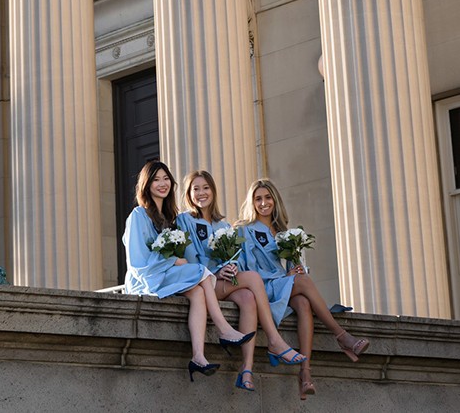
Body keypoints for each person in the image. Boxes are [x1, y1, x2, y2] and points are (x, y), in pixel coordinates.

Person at [236, 178, 370, 401]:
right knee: (304, 282)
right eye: (258, 199)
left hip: (285, 288)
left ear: (275, 200)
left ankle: (305, 373)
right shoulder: (245, 231)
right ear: (252, 202)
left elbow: (293, 267)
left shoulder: (284, 232)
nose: (263, 203)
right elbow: (246, 270)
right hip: (264, 289)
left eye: (267, 197)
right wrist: (289, 277)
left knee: (304, 302)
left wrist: (296, 269)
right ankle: (342, 337)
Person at [123, 160, 254, 382]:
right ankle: (224, 329)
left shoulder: (167, 217)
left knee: (197, 292)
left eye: (166, 179)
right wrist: (173, 261)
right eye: (156, 180)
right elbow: (138, 261)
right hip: (147, 277)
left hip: (166, 274)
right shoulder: (138, 215)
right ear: (146, 184)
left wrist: (174, 260)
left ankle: (198, 357)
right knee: (199, 271)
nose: (162, 184)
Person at [177, 170, 305, 392]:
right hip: (202, 283)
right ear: (188, 193)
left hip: (223, 282)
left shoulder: (224, 226)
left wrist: (231, 265)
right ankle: (274, 340)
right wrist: (216, 272)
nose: (201, 193)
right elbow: (189, 261)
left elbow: (235, 258)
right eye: (195, 189)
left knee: (247, 297)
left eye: (205, 187)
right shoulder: (184, 220)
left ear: (213, 191)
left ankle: (246, 370)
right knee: (253, 278)